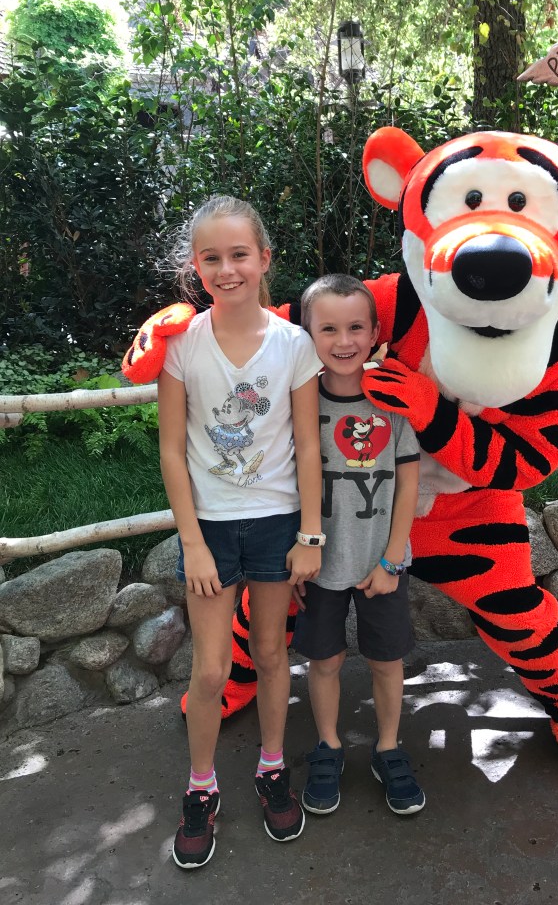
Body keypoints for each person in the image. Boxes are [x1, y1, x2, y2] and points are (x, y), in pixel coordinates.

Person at [158, 195, 323, 868]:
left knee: (273, 653)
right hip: (212, 531)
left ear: (264, 259)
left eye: (239, 255)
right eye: (212, 258)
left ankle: (272, 767)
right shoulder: (182, 345)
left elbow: (308, 446)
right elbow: (172, 450)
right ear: (196, 266)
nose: (226, 269)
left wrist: (310, 533)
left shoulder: (294, 344)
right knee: (210, 669)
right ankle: (201, 787)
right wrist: (192, 543)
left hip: (278, 524)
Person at [291, 274, 425, 817]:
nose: (343, 341)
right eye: (328, 329)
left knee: (387, 661)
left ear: (374, 335)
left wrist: (393, 558)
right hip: (319, 564)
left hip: (380, 563)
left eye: (355, 328)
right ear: (307, 335)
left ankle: (388, 748)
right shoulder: (299, 403)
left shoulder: (390, 402)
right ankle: (328, 745)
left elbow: (409, 482)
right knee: (323, 661)